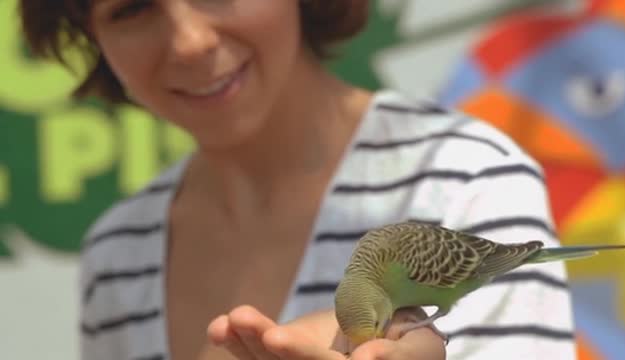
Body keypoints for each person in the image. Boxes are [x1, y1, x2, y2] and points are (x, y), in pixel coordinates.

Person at [19, 0, 577, 359]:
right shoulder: (116, 254)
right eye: (131, 7)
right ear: (88, 33)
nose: (189, 41)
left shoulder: (466, 178)